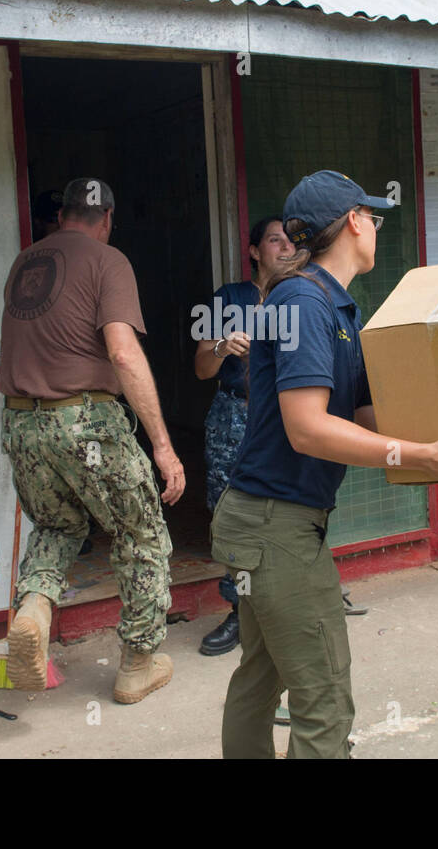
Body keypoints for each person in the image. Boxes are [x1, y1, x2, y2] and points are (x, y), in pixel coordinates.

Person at [213, 170, 438, 758]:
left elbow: (369, 415)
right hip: (276, 529)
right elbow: (307, 427)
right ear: (352, 221)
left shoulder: (334, 305)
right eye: (371, 215)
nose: (374, 225)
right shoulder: (302, 299)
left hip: (266, 524)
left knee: (261, 674)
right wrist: (421, 455)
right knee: (323, 697)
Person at [0, 177, 186, 704]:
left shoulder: (25, 263)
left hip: (22, 423)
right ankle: (137, 664)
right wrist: (163, 446)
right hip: (85, 422)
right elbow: (123, 353)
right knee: (141, 533)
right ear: (106, 220)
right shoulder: (109, 260)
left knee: (58, 524)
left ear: (62, 216)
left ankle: (33, 609)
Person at [193, 217, 294, 655]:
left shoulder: (304, 297)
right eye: (275, 240)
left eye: (292, 241)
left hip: (288, 417)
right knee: (231, 513)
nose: (285, 248)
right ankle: (240, 613)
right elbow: (200, 368)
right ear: (254, 251)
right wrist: (221, 346)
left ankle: (287, 606)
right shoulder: (229, 298)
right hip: (235, 414)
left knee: (288, 510)